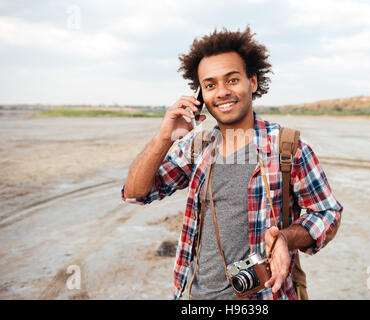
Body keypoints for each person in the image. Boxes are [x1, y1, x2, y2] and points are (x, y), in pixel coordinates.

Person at [121, 27, 343, 300]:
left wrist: (285, 238)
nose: (222, 92)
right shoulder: (196, 148)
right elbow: (135, 193)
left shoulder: (288, 148)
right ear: (201, 96)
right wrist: (165, 136)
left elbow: (327, 213)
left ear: (252, 82)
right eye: (210, 85)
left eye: (232, 80)